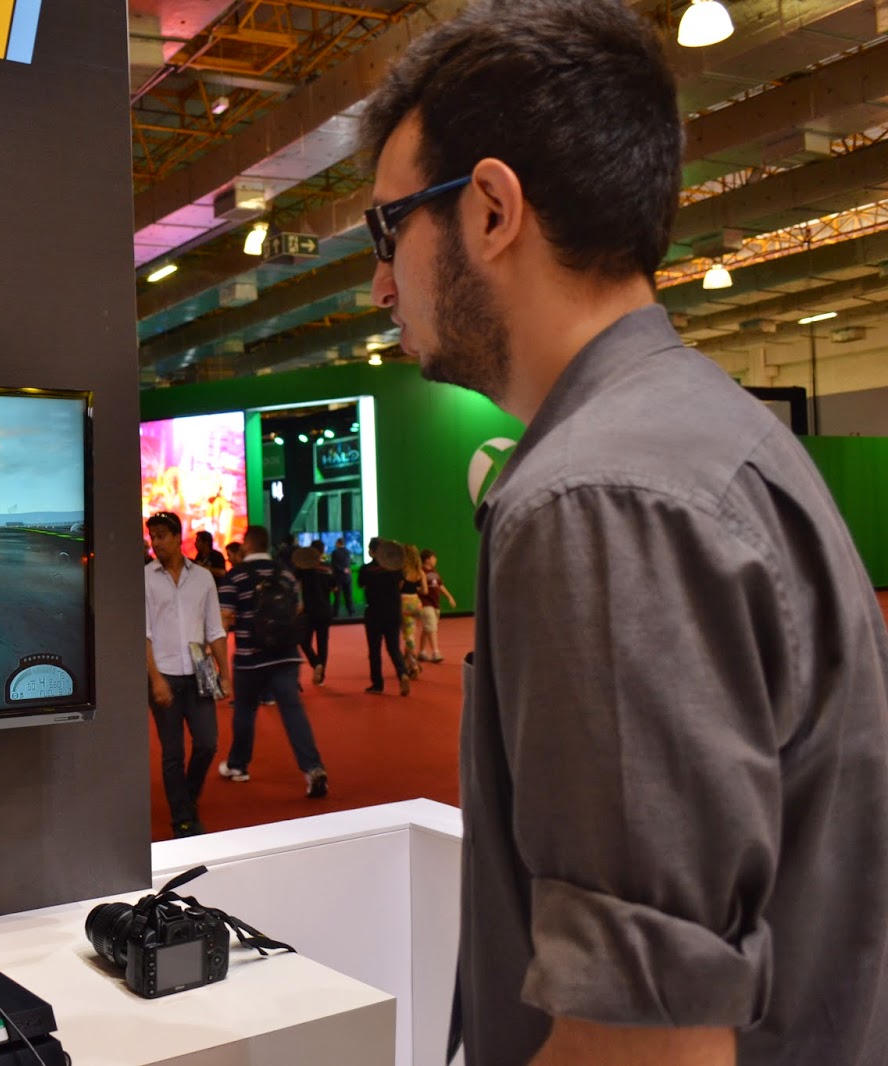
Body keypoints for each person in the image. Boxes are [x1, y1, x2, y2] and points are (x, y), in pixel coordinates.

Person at [361, 3, 888, 1063]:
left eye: (389, 229)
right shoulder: (715, 434)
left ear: (492, 210)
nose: (380, 283)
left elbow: (646, 1045)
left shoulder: (596, 498)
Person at [216, 525, 329, 798]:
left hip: (250, 658)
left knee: (245, 711)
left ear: (246, 544)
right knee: (293, 712)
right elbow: (297, 608)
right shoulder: (285, 573)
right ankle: (313, 768)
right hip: (286, 654)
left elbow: (225, 617)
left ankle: (238, 766)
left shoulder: (236, 575)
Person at [144, 511, 230, 838]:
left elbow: (215, 630)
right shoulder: (146, 577)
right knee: (173, 754)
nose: (156, 543)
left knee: (208, 743)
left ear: (177, 537)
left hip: (200, 671)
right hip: (163, 673)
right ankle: (181, 819)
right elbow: (143, 633)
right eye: (153, 537)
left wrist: (225, 674)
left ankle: (188, 798)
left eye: (162, 536)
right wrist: (155, 679)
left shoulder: (203, 578)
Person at [356, 538, 407, 696]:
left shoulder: (366, 569)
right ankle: (402, 674)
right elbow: (401, 585)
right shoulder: (396, 568)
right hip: (393, 612)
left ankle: (377, 685)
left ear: (372, 552)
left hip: (374, 613)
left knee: (374, 650)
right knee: (394, 648)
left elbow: (361, 584)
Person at [292, 541, 335, 685]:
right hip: (325, 610)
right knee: (323, 644)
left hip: (309, 611)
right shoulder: (328, 568)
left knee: (304, 642)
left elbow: (294, 581)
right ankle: (321, 676)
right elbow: (335, 588)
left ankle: (316, 663)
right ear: (322, 551)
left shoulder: (304, 569)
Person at [416, 548, 455, 663]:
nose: (435, 560)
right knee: (432, 627)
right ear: (427, 560)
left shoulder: (434, 572)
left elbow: (440, 586)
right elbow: (415, 587)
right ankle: (435, 652)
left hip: (435, 604)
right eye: (433, 558)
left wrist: (449, 597)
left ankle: (422, 652)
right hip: (425, 603)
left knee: (427, 628)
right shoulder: (420, 572)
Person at [398, 543, 426, 678]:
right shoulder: (420, 572)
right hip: (416, 603)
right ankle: (406, 663)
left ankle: (414, 665)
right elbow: (425, 591)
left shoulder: (402, 571)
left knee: (408, 637)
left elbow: (398, 588)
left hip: (403, 604)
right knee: (410, 633)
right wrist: (416, 588)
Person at [329, 538, 354, 616]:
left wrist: (342, 570)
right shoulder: (348, 552)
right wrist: (345, 570)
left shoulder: (334, 552)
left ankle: (335, 613)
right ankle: (351, 612)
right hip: (347, 577)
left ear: (338, 543)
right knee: (348, 595)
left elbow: (334, 565)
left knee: (337, 597)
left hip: (338, 577)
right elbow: (349, 563)